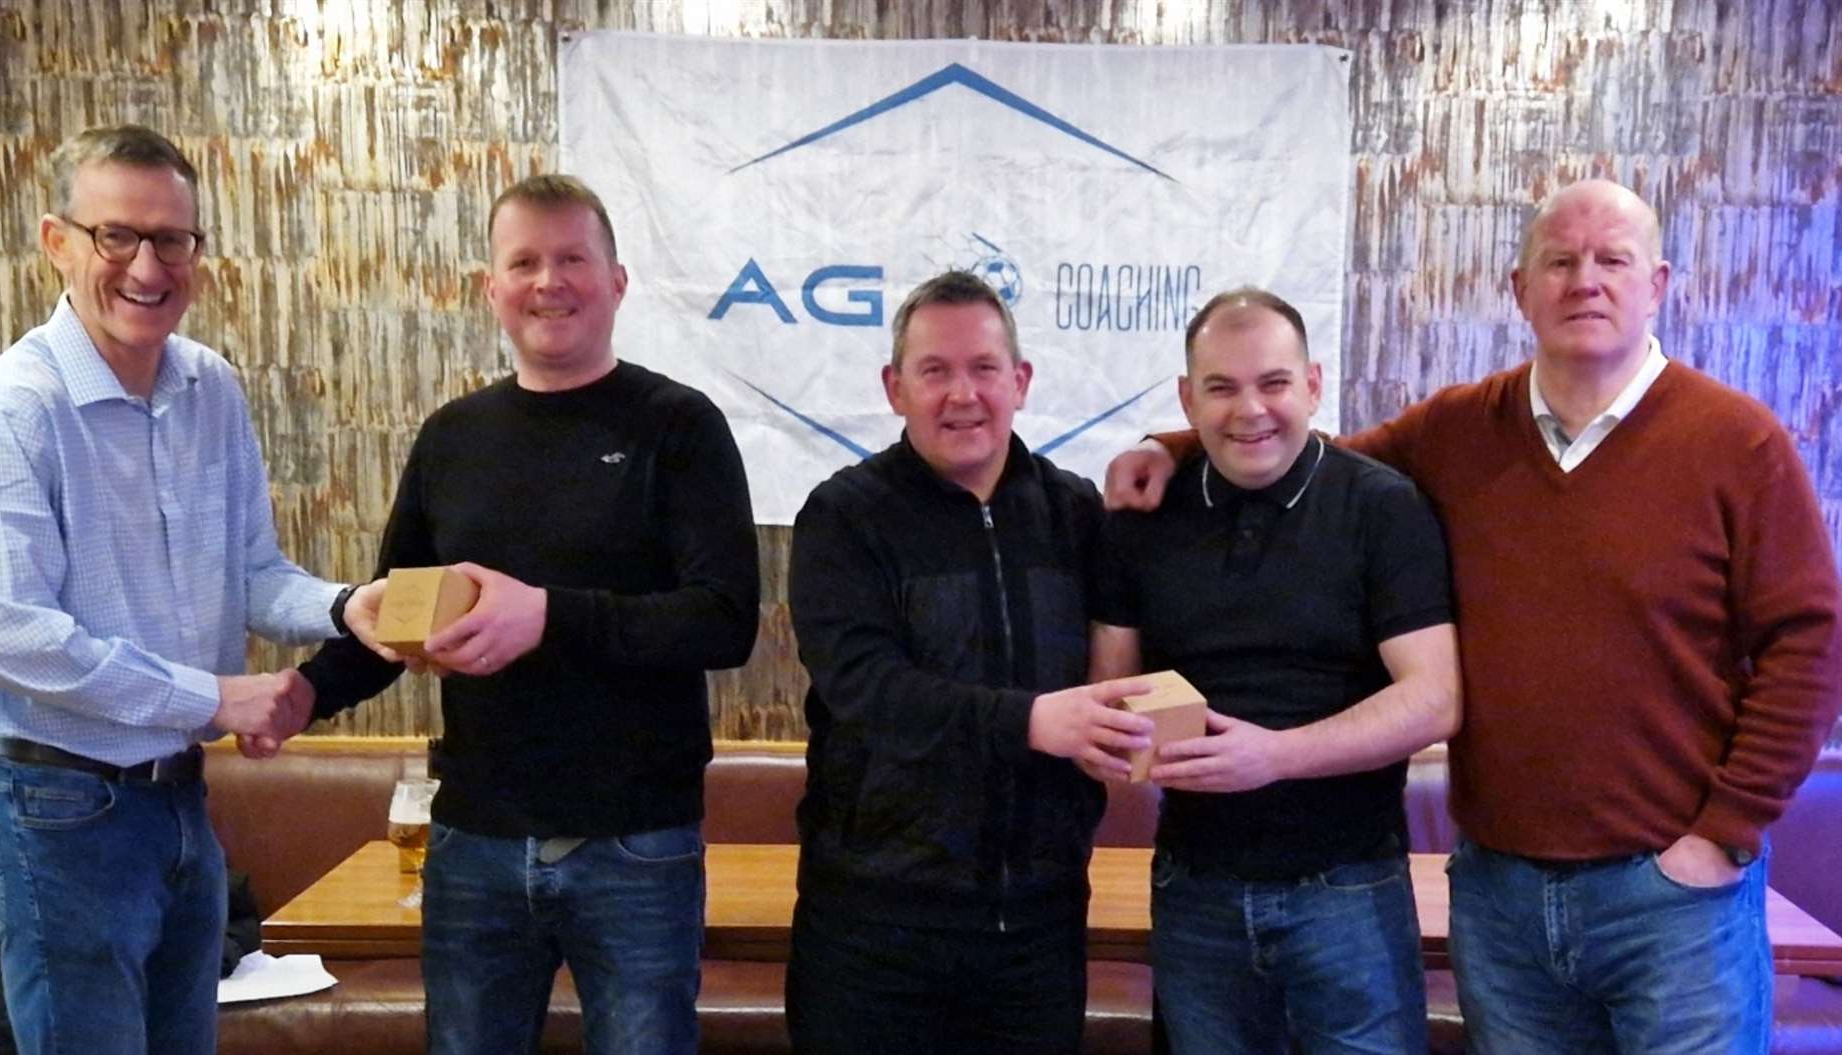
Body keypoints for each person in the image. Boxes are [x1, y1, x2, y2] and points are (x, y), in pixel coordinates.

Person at [1107, 180, 1842, 1052]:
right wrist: (1174, 444)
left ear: (1660, 284)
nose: (1586, 281)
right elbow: (1304, 456)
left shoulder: (1738, 441)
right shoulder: (1459, 429)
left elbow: (1811, 644)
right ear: (1519, 288)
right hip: (1499, 888)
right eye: (1560, 261)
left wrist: (1723, 835)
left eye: (1613, 260)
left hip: (1672, 895)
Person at [0, 124, 385, 1055]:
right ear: (58, 241)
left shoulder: (210, 386)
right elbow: (4, 636)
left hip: (179, 797)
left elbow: (254, 574)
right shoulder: (9, 408)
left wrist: (348, 607)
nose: (147, 266)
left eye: (171, 239)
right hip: (51, 804)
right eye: (117, 237)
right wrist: (215, 695)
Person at [294, 173, 759, 1055]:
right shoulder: (452, 438)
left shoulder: (680, 426)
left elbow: (722, 619)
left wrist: (547, 615)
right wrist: (299, 696)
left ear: (617, 281)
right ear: (492, 288)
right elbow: (398, 612)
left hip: (638, 844)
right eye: (525, 261)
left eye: (573, 258)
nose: (550, 280)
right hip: (473, 841)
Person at [784, 270, 1155, 1054]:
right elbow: (867, 690)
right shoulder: (845, 515)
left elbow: (1125, 665)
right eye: (935, 370)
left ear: (1019, 381)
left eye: (985, 368)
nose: (963, 393)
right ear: (894, 387)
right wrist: (1031, 721)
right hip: (873, 928)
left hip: (1039, 926)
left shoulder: (1075, 512)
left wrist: (1168, 445)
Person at [1090, 288, 1459, 1054]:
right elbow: (1110, 686)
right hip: (1194, 884)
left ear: (1314, 385)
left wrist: (1275, 756)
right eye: (1221, 388)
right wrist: (1118, 740)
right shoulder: (1142, 514)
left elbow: (1434, 699)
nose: (1249, 409)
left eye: (1274, 383)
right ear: (1188, 399)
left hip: (1350, 887)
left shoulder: (1382, 508)